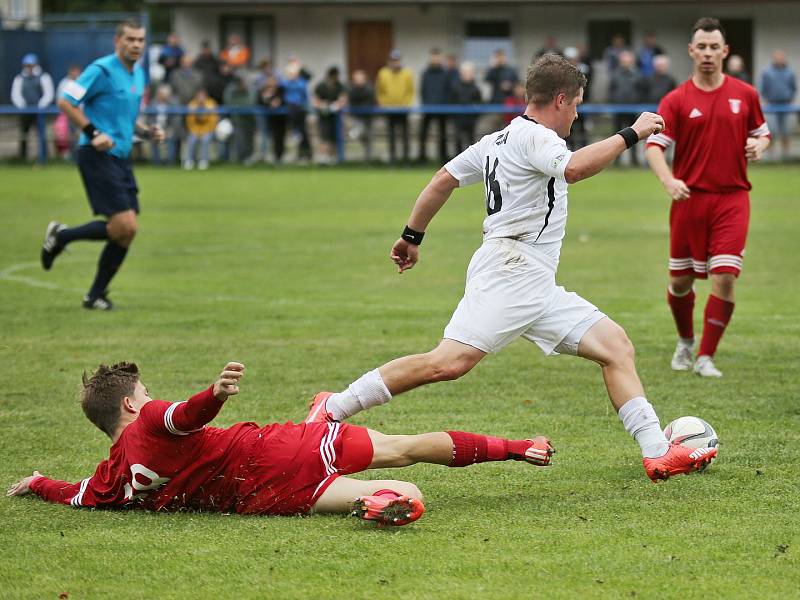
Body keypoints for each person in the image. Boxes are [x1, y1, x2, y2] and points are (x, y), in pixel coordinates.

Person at [306, 54, 717, 483]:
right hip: (512, 270)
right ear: (560, 100)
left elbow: (441, 180)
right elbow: (574, 168)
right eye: (576, 104)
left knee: (615, 346)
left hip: (532, 276)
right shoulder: (537, 138)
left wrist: (412, 236)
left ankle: (656, 453)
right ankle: (334, 405)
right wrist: (631, 133)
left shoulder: (496, 140)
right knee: (448, 362)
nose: (576, 115)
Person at [6, 361, 555, 527]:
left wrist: (36, 483)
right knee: (403, 447)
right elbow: (184, 413)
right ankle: (514, 446)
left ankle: (377, 498)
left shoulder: (111, 480)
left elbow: (75, 492)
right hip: (280, 451)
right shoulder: (151, 418)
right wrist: (215, 395)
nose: (151, 397)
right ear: (131, 406)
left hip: (264, 496)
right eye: (145, 393)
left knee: (403, 489)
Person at [645, 17, 771, 378]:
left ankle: (705, 356)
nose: (708, 53)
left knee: (725, 276)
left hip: (732, 199)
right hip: (689, 202)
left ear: (725, 51)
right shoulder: (676, 100)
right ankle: (685, 342)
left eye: (714, 47)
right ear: (691, 51)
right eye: (701, 46)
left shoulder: (745, 94)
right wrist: (669, 181)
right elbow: (655, 147)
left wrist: (758, 145)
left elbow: (763, 133)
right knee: (682, 282)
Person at [41, 21, 164, 310]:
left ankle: (94, 294)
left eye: (141, 40)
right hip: (96, 156)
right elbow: (66, 102)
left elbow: (127, 117)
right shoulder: (101, 69)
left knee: (126, 232)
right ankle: (61, 237)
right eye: (130, 39)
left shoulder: (138, 74)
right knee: (125, 224)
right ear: (117, 41)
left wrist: (147, 132)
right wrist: (93, 133)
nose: (136, 45)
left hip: (121, 158)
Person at [10, 53, 54, 161]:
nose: (29, 67)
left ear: (35, 64)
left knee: (41, 135)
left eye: (31, 65)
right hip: (25, 112)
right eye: (27, 65)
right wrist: (22, 105)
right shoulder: (19, 78)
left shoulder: (44, 76)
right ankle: (22, 158)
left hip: (39, 112)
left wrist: (41, 105)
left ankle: (44, 158)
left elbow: (48, 93)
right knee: (23, 135)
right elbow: (15, 94)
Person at [376, 50, 414, 164]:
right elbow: (379, 91)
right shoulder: (383, 73)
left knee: (405, 135)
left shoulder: (407, 73)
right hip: (389, 110)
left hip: (403, 109)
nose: (395, 63)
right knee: (391, 136)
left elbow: (410, 91)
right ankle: (392, 159)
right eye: (393, 60)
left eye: (397, 60)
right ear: (389, 61)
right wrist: (384, 104)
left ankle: (406, 159)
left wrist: (406, 104)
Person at [609, 50, 646, 165]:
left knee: (634, 134)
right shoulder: (615, 74)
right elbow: (611, 90)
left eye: (628, 59)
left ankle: (634, 160)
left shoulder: (638, 74)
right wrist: (614, 101)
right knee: (616, 136)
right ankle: (616, 160)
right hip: (618, 110)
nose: (626, 62)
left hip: (633, 109)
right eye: (623, 60)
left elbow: (642, 90)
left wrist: (638, 103)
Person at [760, 50, 796, 160]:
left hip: (786, 106)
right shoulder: (767, 72)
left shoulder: (790, 72)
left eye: (781, 57)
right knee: (772, 132)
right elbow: (763, 88)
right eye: (777, 57)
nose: (779, 59)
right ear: (773, 58)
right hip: (771, 106)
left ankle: (786, 156)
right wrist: (766, 99)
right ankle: (771, 157)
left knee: (786, 132)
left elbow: (793, 88)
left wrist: (790, 98)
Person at [418, 49, 450, 164]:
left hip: (442, 108)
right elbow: (423, 90)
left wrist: (444, 104)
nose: (435, 59)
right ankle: (421, 158)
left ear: (440, 58)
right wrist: (425, 104)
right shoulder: (425, 73)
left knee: (443, 134)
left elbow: (448, 90)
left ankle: (443, 158)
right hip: (428, 108)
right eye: (433, 57)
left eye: (437, 57)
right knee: (423, 134)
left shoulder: (445, 73)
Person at [313, 66, 347, 164]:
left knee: (334, 137)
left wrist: (336, 105)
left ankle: (333, 158)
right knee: (324, 137)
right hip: (323, 115)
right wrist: (322, 105)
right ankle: (324, 158)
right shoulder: (321, 86)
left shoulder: (340, 86)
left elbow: (343, 99)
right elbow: (315, 100)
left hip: (336, 116)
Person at [282, 60, 312, 163]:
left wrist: (300, 66)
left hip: (300, 109)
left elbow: (309, 76)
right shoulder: (285, 83)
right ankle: (295, 131)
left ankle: (306, 154)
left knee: (303, 132)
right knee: (293, 133)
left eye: (294, 73)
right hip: (290, 109)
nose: (291, 75)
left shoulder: (301, 82)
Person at [449, 62, 482, 153]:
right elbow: (451, 103)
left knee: (471, 142)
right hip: (458, 119)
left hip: (471, 120)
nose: (467, 75)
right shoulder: (455, 88)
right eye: (465, 72)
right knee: (458, 140)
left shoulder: (476, 89)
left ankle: (470, 164)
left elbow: (480, 104)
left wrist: (475, 116)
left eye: (469, 72)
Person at [223, 75, 257, 164]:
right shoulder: (230, 90)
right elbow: (229, 103)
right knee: (238, 140)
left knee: (249, 139)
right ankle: (239, 158)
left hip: (250, 120)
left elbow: (250, 103)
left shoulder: (250, 89)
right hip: (236, 119)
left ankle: (248, 158)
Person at [184, 87, 218, 170]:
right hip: (195, 130)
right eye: (199, 95)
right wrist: (195, 131)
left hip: (208, 130)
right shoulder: (192, 104)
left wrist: (206, 131)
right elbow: (189, 121)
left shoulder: (211, 104)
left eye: (202, 95)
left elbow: (213, 121)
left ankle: (203, 161)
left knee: (205, 139)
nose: (201, 97)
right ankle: (189, 161)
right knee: (192, 140)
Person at [147, 83, 180, 165]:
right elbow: (149, 119)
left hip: (169, 129)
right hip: (156, 129)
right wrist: (154, 129)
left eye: (165, 94)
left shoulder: (174, 103)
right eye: (161, 94)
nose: (163, 96)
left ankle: (169, 163)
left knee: (170, 138)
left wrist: (170, 130)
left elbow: (176, 120)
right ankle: (156, 163)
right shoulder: (153, 102)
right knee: (154, 138)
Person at [347, 69, 376, 161]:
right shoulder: (352, 89)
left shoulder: (369, 89)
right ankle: (367, 157)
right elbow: (351, 102)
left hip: (368, 117)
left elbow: (371, 102)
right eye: (356, 79)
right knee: (360, 135)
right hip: (356, 117)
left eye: (360, 78)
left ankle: (369, 158)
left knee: (368, 137)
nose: (358, 80)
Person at [257, 75, 287, 163]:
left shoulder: (281, 91)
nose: (272, 84)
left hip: (280, 119)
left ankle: (278, 158)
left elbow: (284, 100)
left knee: (279, 138)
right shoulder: (262, 91)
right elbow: (259, 101)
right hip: (266, 118)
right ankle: (263, 157)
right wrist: (268, 101)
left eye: (274, 81)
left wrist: (278, 102)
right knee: (265, 137)